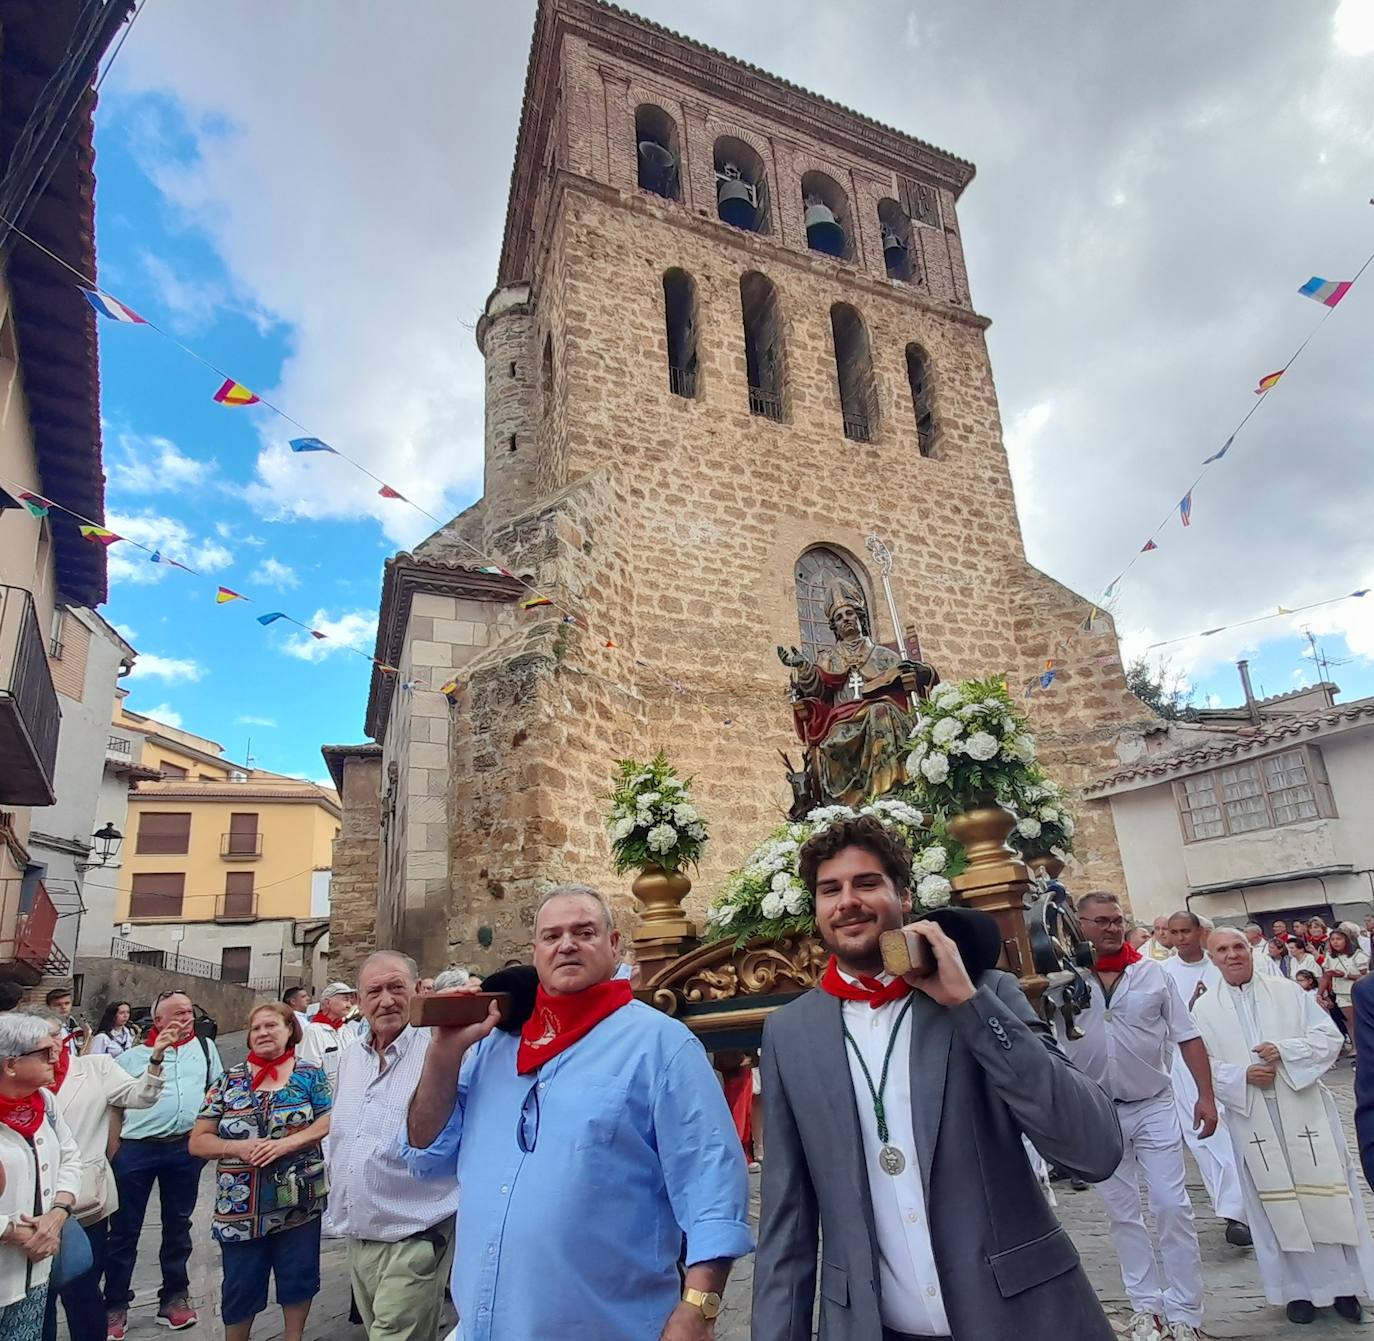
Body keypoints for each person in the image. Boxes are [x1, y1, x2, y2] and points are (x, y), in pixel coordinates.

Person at [752, 816, 1121, 1341]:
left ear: (904, 897)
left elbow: (1093, 1148)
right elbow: (786, 1224)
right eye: (830, 889)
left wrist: (969, 1006)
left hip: (1019, 1318)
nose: (847, 901)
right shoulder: (790, 1033)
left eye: (867, 883)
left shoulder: (984, 994)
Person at [404, 885, 753, 1341]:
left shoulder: (660, 1045)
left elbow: (712, 1184)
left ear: (614, 943)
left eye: (583, 932)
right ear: (534, 952)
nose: (566, 944)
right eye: (551, 936)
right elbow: (425, 1154)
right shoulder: (493, 1044)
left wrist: (698, 1308)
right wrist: (443, 1055)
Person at [1195, 928, 1374, 1325]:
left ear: (1250, 950)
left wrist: (1286, 1051)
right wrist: (1242, 1074)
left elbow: (1328, 1038)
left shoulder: (1288, 992)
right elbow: (1200, 1067)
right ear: (1213, 958)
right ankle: (1296, 1292)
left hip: (1303, 1107)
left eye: (1238, 946)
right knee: (1273, 1203)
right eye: (1222, 950)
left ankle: (1345, 1286)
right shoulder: (1203, 1012)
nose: (1232, 955)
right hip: (1253, 1117)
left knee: (1328, 1196)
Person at [1060, 892, 1215, 1341]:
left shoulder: (1154, 973)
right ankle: (1146, 1306)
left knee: (1171, 1205)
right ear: (1078, 924)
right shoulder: (1062, 980)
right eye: (1100, 921)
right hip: (1098, 1112)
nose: (1111, 928)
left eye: (1117, 920)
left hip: (1153, 1104)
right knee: (1123, 1213)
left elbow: (1187, 1036)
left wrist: (1205, 1097)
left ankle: (1186, 1311)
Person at [325, 952, 459, 1341]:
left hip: (415, 1235)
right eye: (374, 991)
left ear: (418, 990)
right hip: (360, 1237)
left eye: (396, 988)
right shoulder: (352, 1056)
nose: (386, 1000)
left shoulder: (441, 1049)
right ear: (360, 1001)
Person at [19, 1006, 167, 1341]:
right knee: (37, 1299)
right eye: (43, 1038)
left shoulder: (97, 1067)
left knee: (82, 1290)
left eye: (56, 1034)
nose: (53, 1045)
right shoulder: (22, 1082)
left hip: (84, 1202)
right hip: (31, 1210)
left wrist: (156, 1061)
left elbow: (141, 1096)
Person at [190, 1002, 331, 1341]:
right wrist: (236, 1147)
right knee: (240, 1284)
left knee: (298, 1277)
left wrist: (287, 1144)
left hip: (299, 1198)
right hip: (240, 1207)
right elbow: (198, 1141)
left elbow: (328, 1119)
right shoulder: (228, 1081)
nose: (264, 1033)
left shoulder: (309, 1074)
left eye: (272, 1025)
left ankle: (292, 1337)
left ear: (289, 1030)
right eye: (257, 1028)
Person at [105, 991, 224, 1337]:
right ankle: (115, 1304)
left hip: (183, 1148)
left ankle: (174, 1297)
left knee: (178, 1226)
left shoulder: (205, 1048)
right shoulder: (131, 1058)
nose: (186, 1017)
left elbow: (216, 1091)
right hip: (136, 1149)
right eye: (178, 1013)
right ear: (158, 1021)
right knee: (124, 1230)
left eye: (189, 1011)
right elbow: (114, 1103)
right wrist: (113, 1147)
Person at [1159, 912, 1251, 1247]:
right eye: (1175, 932)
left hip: (1231, 1058)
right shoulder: (1163, 972)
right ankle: (1233, 1213)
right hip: (1188, 1068)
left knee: (1241, 1134)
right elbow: (1167, 1025)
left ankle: (1253, 1204)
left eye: (1187, 931)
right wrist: (1192, 1006)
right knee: (1208, 1142)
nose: (1181, 938)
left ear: (1200, 932)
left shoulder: (1219, 965)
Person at [0, 1014, 81, 1340]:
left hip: (32, 1275)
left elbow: (70, 1158)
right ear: (10, 1064)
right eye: (45, 1052)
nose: (56, 1058)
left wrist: (56, 1216)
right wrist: (12, 1230)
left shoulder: (44, 1102)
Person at [297, 983, 361, 1090]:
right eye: (345, 999)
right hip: (326, 1101)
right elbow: (309, 1073)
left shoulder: (348, 1030)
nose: (349, 1005)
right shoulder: (313, 1031)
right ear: (327, 1002)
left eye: (350, 1000)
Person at [1324, 926, 1368, 1056]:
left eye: (1339, 939)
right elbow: (1326, 976)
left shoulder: (1358, 955)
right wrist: (1322, 994)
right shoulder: (1330, 957)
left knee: (1362, 1021)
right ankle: (1356, 1047)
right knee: (1350, 1022)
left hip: (1358, 992)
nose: (1335, 942)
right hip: (1341, 993)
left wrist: (1345, 975)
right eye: (1332, 939)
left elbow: (1365, 976)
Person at [44, 990, 85, 1059]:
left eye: (67, 1003)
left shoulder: (72, 1023)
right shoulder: (47, 1027)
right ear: (49, 1007)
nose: (63, 1007)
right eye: (58, 1005)